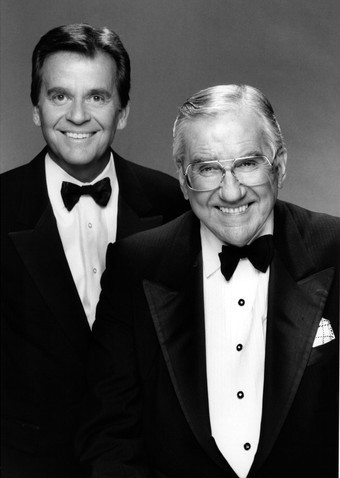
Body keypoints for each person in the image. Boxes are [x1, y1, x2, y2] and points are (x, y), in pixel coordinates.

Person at [77, 84, 339, 478]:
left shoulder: (334, 250)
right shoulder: (136, 265)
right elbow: (108, 435)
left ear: (279, 165)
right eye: (208, 168)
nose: (231, 191)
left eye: (248, 163)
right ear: (183, 180)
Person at [0, 23, 188, 478]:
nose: (78, 115)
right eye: (60, 96)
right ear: (36, 107)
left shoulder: (171, 203)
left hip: (147, 463)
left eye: (98, 97)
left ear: (122, 111)